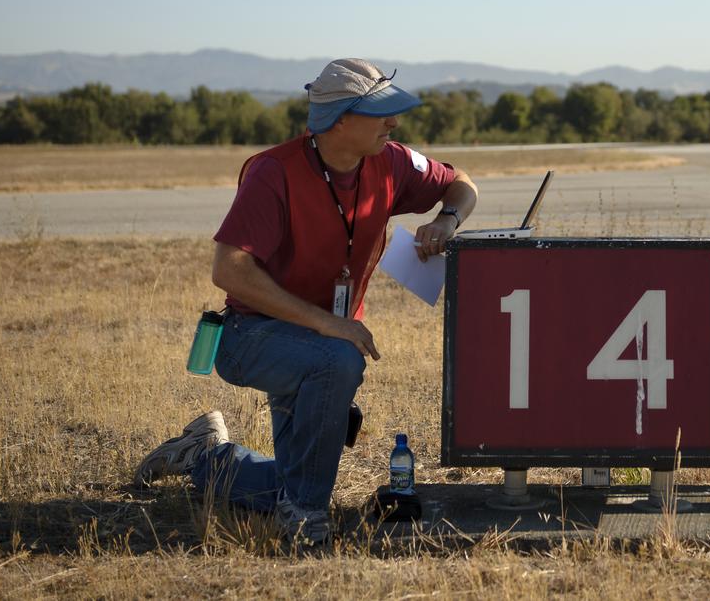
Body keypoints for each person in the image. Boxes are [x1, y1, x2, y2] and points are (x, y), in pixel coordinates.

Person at [133, 58, 478, 544]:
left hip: (319, 341)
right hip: (253, 335)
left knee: (295, 472)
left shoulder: (392, 160)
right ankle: (303, 518)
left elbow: (462, 183)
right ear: (340, 121)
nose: (394, 123)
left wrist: (446, 220)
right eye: (382, 113)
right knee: (336, 365)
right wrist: (327, 324)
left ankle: (206, 457)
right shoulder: (273, 172)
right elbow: (228, 269)